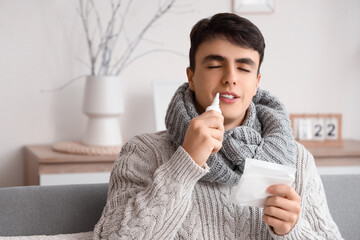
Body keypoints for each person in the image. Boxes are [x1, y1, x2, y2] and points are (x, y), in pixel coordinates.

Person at [93, 13, 343, 239]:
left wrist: (293, 231)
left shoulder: (297, 160)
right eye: (214, 65)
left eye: (244, 68)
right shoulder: (142, 152)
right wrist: (186, 162)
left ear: (256, 84)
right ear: (191, 77)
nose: (230, 78)